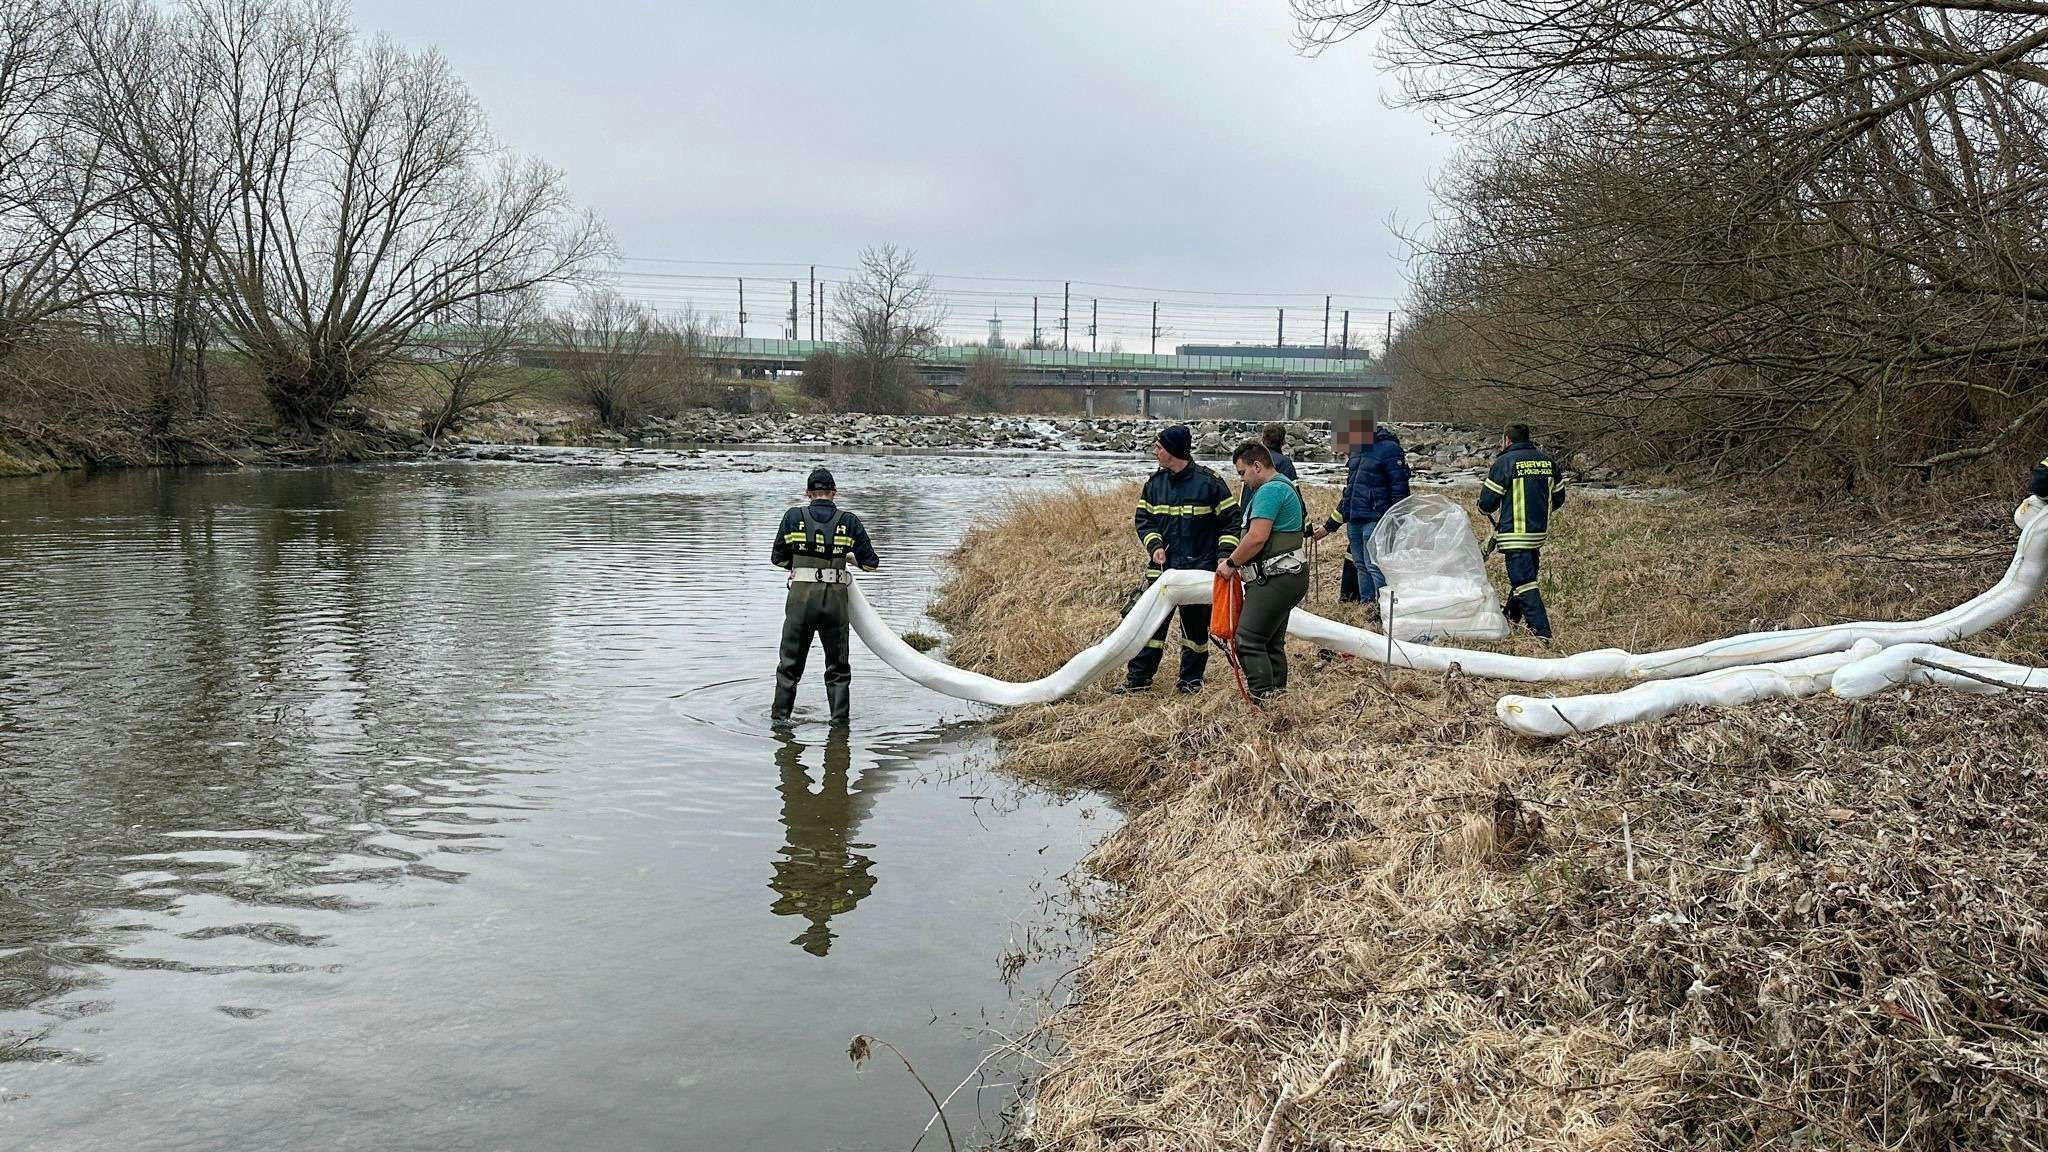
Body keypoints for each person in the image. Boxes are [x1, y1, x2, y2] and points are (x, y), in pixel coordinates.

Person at [1119, 425, 1239, 694]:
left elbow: (1232, 522)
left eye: (1159, 447)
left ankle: (1191, 682)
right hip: (1161, 571)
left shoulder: (1210, 483)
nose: (1155, 451)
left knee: (1195, 633)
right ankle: (1138, 682)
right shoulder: (1154, 485)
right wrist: (1155, 546)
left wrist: (1223, 557)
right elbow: (1144, 520)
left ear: (1172, 451)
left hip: (1199, 572)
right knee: (1148, 629)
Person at [770, 467, 881, 724]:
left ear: (808, 493)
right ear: (834, 492)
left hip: (800, 600)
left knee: (789, 666)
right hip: (835, 601)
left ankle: (780, 723)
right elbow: (871, 564)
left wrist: (800, 565)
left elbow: (778, 559)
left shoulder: (792, 517)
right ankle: (839, 727)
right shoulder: (849, 521)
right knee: (838, 669)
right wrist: (849, 558)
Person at [1220, 442, 1310, 701]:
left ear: (1257, 466)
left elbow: (1257, 537)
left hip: (1276, 578)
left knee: (1248, 639)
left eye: (1242, 473)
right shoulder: (1285, 486)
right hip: (1288, 576)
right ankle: (1278, 699)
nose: (1242, 480)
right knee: (1270, 641)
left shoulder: (1269, 491)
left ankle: (1263, 700)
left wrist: (1230, 564)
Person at [1311, 409, 1409, 612]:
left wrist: (1395, 521)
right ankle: (1367, 605)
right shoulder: (1356, 452)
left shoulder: (1389, 449)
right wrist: (1329, 527)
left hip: (1376, 519)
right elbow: (1350, 493)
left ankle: (1383, 609)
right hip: (1355, 519)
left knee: (1374, 565)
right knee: (1361, 564)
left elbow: (1399, 489)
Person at [1477, 424, 1566, 639]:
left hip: (1514, 536)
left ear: (1507, 439)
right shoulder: (1547, 462)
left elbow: (1487, 503)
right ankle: (1511, 618)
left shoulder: (1504, 463)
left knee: (1524, 583)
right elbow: (1559, 498)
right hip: (1537, 534)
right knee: (1526, 577)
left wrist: (1482, 507)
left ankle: (1542, 633)